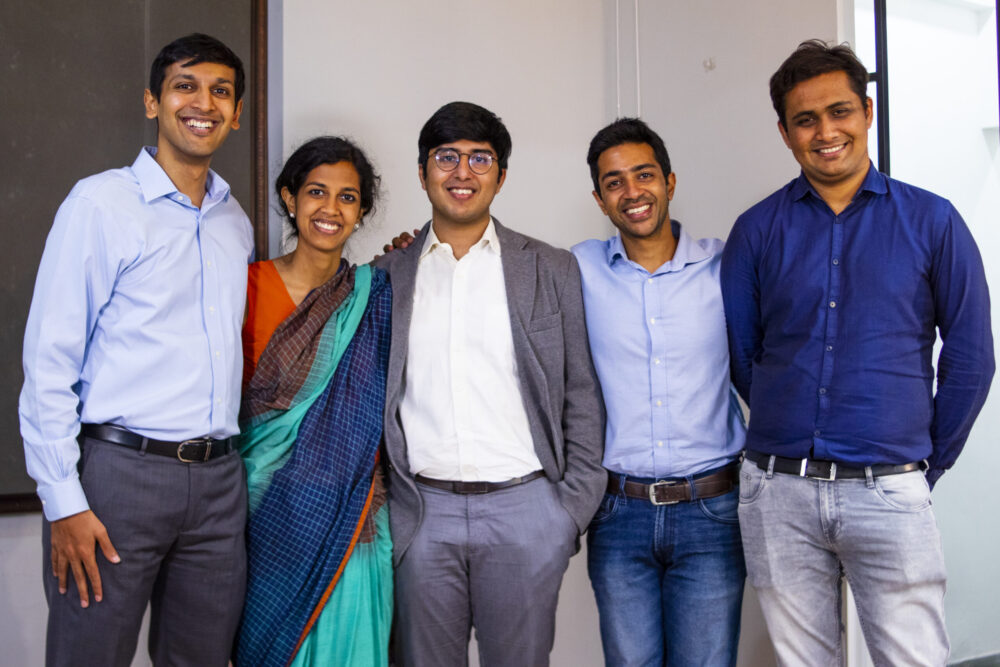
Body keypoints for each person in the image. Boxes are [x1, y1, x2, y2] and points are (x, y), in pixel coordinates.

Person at [721, 39, 994, 665]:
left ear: (867, 112)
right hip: (777, 493)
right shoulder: (756, 230)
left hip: (889, 489)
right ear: (785, 133)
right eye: (805, 120)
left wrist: (923, 467)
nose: (825, 132)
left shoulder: (934, 222)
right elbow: (744, 354)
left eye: (839, 111)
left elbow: (971, 358)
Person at [18, 33, 252, 666]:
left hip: (219, 485)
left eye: (220, 92)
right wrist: (63, 501)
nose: (203, 103)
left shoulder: (235, 222)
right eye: (185, 86)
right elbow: (48, 363)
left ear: (235, 114)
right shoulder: (100, 204)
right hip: (118, 477)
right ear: (153, 102)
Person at [375, 101, 606, 666]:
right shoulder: (384, 276)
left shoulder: (550, 268)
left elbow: (581, 392)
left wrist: (566, 514)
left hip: (526, 511)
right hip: (421, 513)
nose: (462, 172)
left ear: (500, 176)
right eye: (446, 157)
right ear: (422, 172)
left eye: (480, 159)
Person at [574, 118, 747, 666]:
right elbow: (503, 276)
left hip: (713, 511)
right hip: (617, 514)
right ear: (600, 199)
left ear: (669, 182)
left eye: (643, 175)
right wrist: (413, 250)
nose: (632, 192)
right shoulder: (575, 269)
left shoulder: (726, 266)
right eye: (614, 182)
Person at [235, 136, 392, 666]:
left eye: (348, 197)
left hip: (351, 516)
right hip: (260, 513)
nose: (331, 209)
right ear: (290, 198)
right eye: (316, 192)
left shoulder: (375, 296)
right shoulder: (245, 287)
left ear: (362, 211)